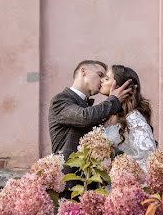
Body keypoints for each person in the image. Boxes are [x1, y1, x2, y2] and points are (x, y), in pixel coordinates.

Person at [48, 59, 133, 191]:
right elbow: (85, 117)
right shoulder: (60, 101)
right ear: (83, 71)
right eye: (100, 75)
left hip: (91, 182)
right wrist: (114, 100)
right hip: (68, 183)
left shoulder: (91, 107)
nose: (102, 81)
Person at [99, 65, 156, 171]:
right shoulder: (108, 115)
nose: (101, 80)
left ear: (119, 87)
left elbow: (147, 156)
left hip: (126, 181)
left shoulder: (134, 117)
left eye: (106, 79)